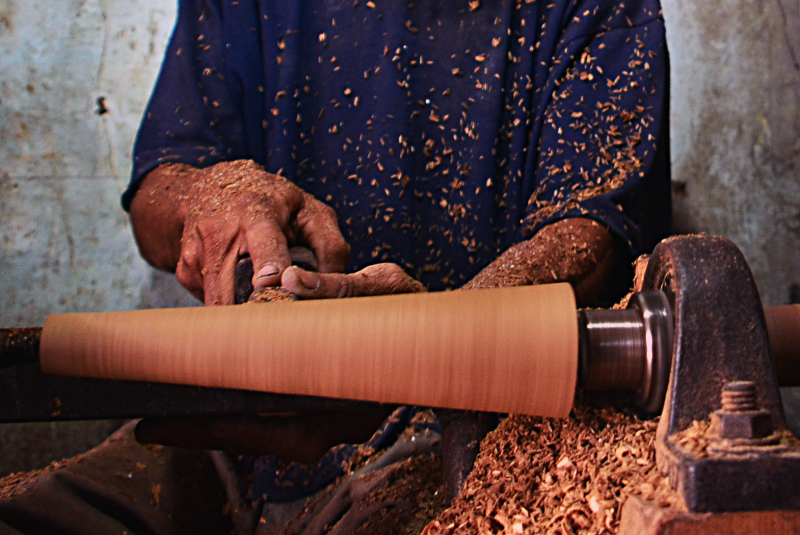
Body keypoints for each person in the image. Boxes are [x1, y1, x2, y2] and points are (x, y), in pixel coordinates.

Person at [0, 0, 671, 533]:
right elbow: (156, 194)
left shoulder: (598, 9)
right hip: (240, 410)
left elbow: (588, 238)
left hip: (456, 423)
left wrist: (419, 349)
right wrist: (211, 196)